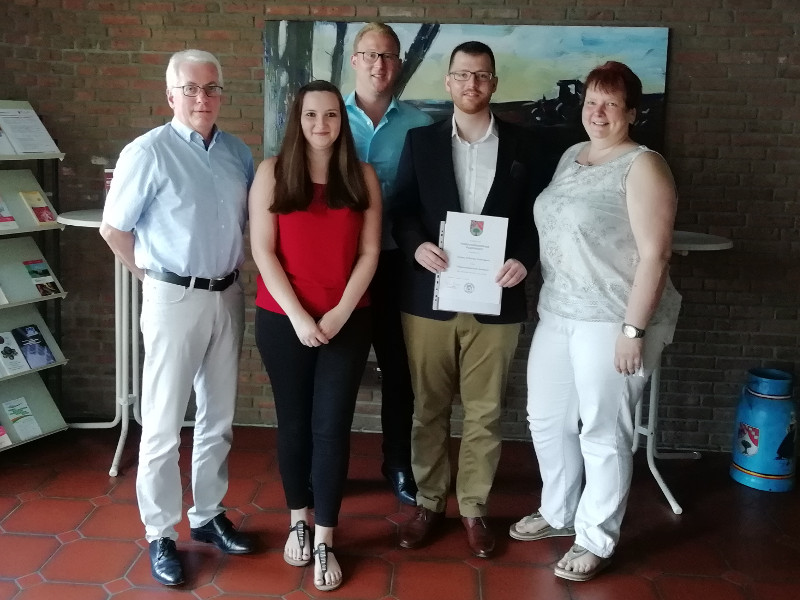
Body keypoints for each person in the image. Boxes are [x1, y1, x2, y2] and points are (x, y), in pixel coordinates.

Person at [509, 61, 682, 582]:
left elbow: (656, 254)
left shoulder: (644, 165)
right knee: (545, 418)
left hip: (611, 319)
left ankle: (596, 537)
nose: (598, 112)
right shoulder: (570, 157)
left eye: (610, 103)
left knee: (604, 432)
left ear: (632, 111)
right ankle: (559, 513)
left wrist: (633, 330)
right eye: (590, 101)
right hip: (558, 311)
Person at [100, 49, 255, 586]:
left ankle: (208, 516)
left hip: (227, 294)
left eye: (211, 88)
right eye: (190, 89)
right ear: (171, 95)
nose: (202, 98)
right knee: (163, 423)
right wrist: (152, 280)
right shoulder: (148, 152)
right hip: (173, 297)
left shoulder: (238, 152)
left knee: (218, 416)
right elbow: (114, 230)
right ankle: (161, 533)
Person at [391, 41, 546, 558]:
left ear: (494, 83)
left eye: (481, 76)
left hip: (498, 299)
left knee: (484, 411)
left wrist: (525, 258)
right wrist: (416, 246)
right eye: (462, 75)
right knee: (428, 409)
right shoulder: (421, 142)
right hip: (429, 297)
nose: (471, 85)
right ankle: (429, 502)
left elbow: (539, 219)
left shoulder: (526, 146)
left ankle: (474, 507)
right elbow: (403, 211)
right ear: (448, 82)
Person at [249, 80, 381, 592]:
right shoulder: (271, 173)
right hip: (283, 320)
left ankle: (326, 535)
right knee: (295, 425)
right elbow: (263, 251)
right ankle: (298, 522)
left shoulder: (363, 177)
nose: (321, 125)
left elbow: (370, 253)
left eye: (330, 116)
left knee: (332, 428)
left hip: (347, 320)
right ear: (297, 120)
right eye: (310, 116)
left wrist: (339, 314)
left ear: (342, 121)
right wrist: (303, 319)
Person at [345, 22, 434, 505]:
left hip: (400, 264)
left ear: (398, 63)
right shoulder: (327, 117)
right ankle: (330, 463)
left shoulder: (419, 125)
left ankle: (398, 462)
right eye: (371, 55)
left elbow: (427, 200)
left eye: (389, 56)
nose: (380, 65)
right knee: (338, 365)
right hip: (338, 265)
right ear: (355, 60)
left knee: (401, 368)